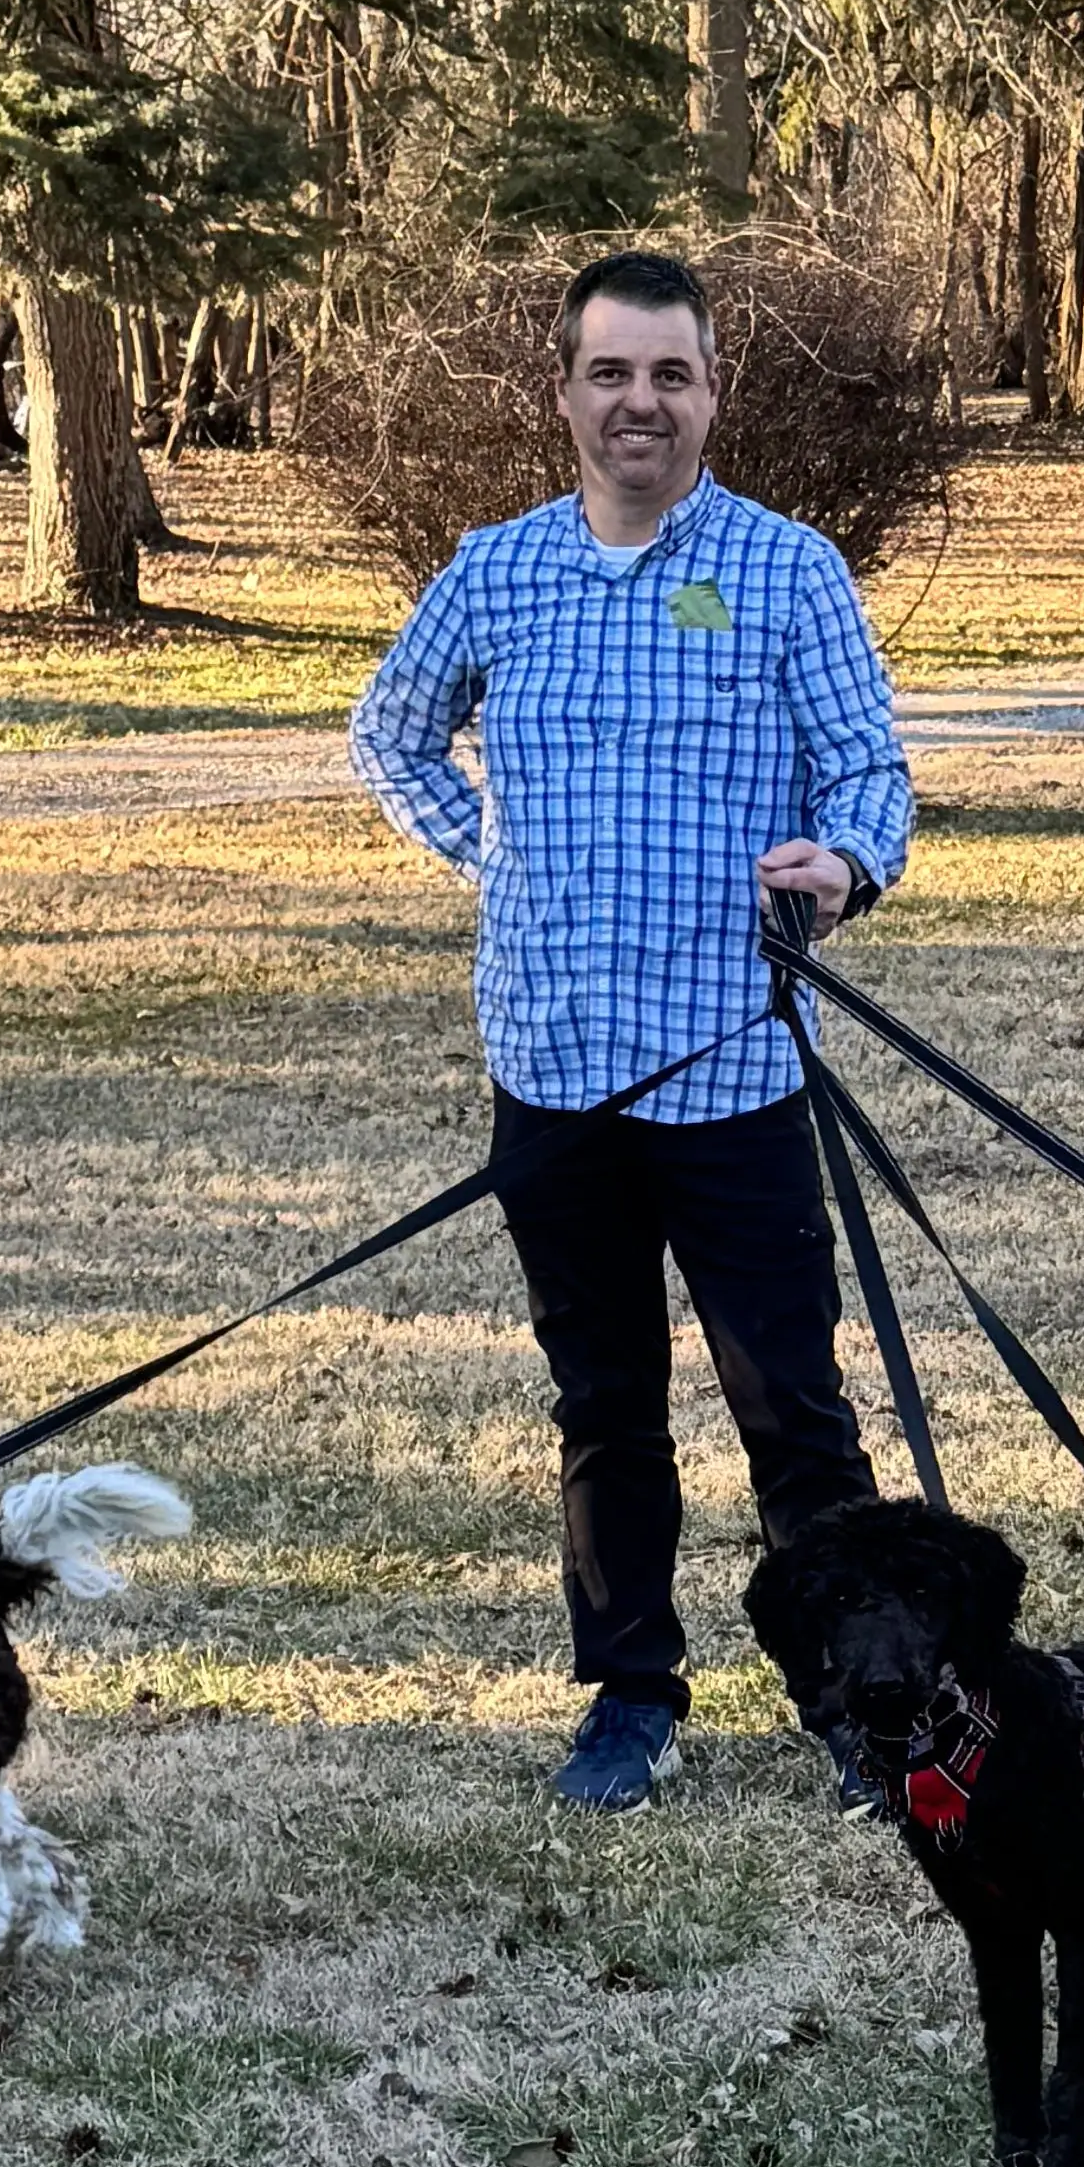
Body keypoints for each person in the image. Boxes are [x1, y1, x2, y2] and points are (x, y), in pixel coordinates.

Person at [348, 248, 913, 1810]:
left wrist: (844, 863)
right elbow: (388, 734)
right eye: (612, 373)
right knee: (602, 1401)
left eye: (670, 374)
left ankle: (855, 1705)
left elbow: (872, 779)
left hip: (731, 1067)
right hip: (553, 1077)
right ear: (567, 394)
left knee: (790, 1404)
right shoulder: (495, 570)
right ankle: (629, 1693)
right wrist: (493, 857)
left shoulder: (789, 568)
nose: (639, 403)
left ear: (713, 393)